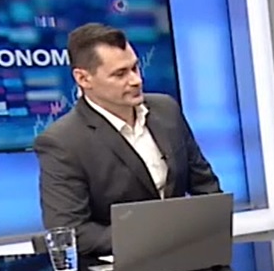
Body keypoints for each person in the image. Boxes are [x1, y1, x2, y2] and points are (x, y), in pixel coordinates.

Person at [35, 24, 222, 259]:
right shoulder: (62, 142)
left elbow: (206, 189)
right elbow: (71, 231)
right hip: (118, 269)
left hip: (188, 257)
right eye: (120, 74)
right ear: (83, 78)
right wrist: (159, 238)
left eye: (135, 68)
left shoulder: (166, 110)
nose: (135, 80)